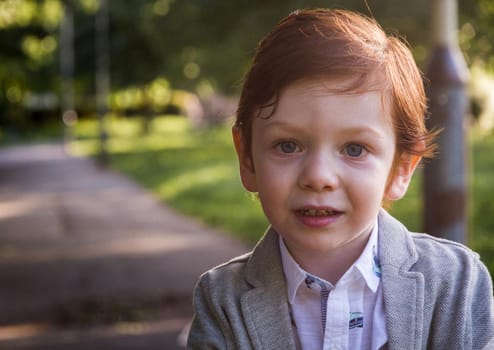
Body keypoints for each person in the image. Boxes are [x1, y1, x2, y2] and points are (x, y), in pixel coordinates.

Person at [187, 8, 494, 350]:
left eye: (355, 149)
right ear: (247, 159)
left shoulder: (456, 283)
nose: (318, 177)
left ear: (401, 169)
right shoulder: (222, 300)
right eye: (287, 145)